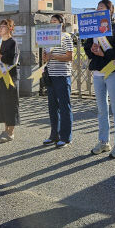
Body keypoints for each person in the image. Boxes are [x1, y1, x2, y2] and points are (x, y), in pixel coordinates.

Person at [83, 0, 115, 158]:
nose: (98, 11)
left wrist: (104, 53)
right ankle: (104, 142)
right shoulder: (93, 28)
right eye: (97, 8)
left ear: (110, 11)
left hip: (113, 72)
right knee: (102, 110)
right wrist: (92, 50)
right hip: (97, 73)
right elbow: (87, 47)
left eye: (101, 8)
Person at [42, 14, 74, 148]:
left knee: (64, 106)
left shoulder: (66, 37)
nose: (52, 23)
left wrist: (53, 55)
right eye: (51, 22)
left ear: (61, 24)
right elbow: (45, 58)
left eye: (55, 21)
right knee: (52, 107)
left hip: (62, 75)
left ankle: (66, 137)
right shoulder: (47, 38)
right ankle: (54, 135)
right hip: (50, 74)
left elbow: (70, 56)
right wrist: (46, 57)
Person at [0, 18, 20, 142]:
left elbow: (11, 60)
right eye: (0, 27)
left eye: (4, 26)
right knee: (2, 103)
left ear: (10, 29)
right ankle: (5, 129)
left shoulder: (13, 42)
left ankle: (11, 132)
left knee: (11, 104)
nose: (1, 29)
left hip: (10, 77)